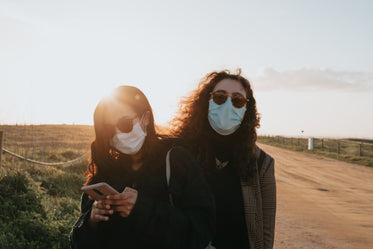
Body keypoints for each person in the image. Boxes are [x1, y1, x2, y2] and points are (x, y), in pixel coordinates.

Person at [70, 86, 215, 249]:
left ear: (145, 119)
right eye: (109, 129)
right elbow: (77, 243)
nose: (118, 134)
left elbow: (201, 230)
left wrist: (143, 208)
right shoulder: (105, 174)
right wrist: (91, 221)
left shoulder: (176, 160)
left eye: (124, 124)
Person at [170, 70, 276, 249]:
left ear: (246, 109)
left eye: (237, 100)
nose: (228, 105)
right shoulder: (178, 152)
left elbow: (265, 229)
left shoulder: (262, 163)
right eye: (220, 97)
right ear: (207, 101)